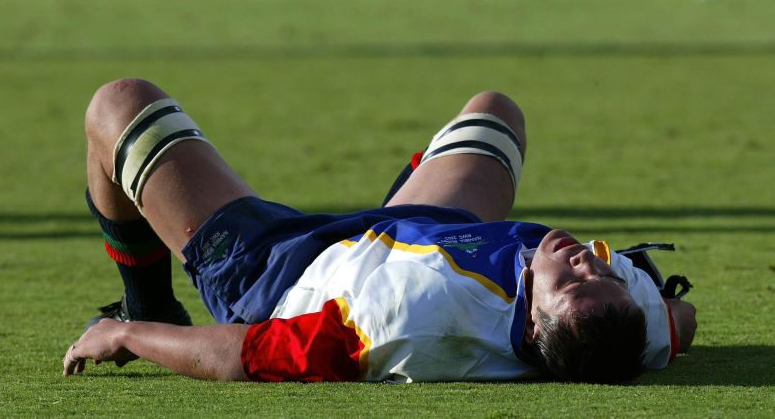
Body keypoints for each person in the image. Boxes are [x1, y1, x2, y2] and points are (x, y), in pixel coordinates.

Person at [63, 79, 697, 383]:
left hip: (281, 269)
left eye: (574, 278)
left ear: (532, 324)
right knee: (494, 113)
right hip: (421, 234)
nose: (587, 259)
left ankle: (146, 298)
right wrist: (661, 313)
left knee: (117, 107)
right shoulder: (625, 321)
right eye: (600, 269)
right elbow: (679, 319)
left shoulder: (413, 320)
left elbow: (247, 355)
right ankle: (395, 219)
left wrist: (128, 333)